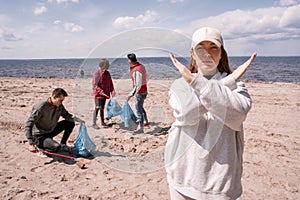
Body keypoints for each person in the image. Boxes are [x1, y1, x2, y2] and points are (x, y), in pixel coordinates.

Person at [165, 27, 257, 200]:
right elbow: (187, 113)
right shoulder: (180, 85)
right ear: (192, 53)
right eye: (201, 48)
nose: (207, 53)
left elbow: (237, 115)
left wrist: (197, 83)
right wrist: (226, 83)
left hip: (221, 186)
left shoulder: (238, 86)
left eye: (213, 47)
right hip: (181, 179)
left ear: (221, 53)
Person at [25, 88, 85, 153]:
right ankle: (40, 146)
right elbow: (29, 124)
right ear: (54, 97)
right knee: (56, 147)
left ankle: (63, 144)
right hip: (39, 135)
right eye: (60, 100)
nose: (61, 102)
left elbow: (67, 116)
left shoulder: (59, 106)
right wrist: (31, 143)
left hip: (50, 131)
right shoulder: (40, 107)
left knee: (70, 123)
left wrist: (78, 120)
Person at [126, 53, 149, 134]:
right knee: (141, 107)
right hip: (144, 90)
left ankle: (141, 128)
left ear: (130, 60)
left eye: (128, 59)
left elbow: (137, 85)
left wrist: (130, 95)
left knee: (138, 110)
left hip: (140, 92)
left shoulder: (136, 70)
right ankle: (146, 122)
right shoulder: (142, 66)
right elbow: (146, 77)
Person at [92, 58, 115, 129]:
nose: (108, 67)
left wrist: (112, 92)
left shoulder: (107, 73)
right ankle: (94, 123)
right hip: (98, 94)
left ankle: (102, 122)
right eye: (107, 65)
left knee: (102, 108)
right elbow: (94, 85)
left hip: (105, 94)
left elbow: (110, 83)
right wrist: (100, 91)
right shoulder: (97, 73)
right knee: (97, 107)